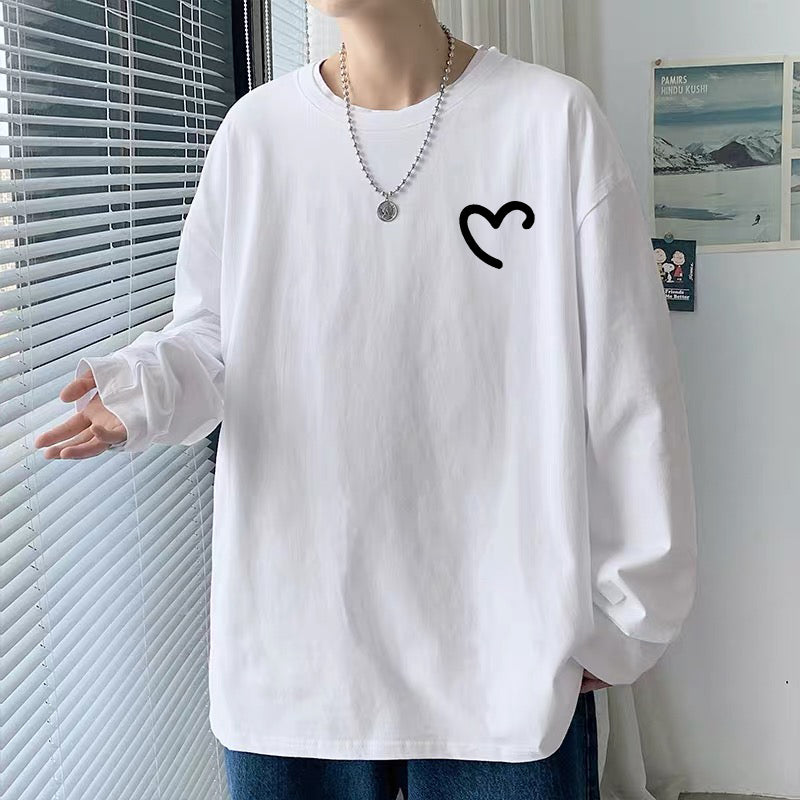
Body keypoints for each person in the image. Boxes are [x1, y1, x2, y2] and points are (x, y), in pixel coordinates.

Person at [35, 1, 698, 798]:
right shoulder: (257, 134)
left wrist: (628, 616)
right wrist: (147, 384)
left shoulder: (552, 122)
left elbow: (629, 387)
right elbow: (212, 337)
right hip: (296, 659)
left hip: (501, 655)